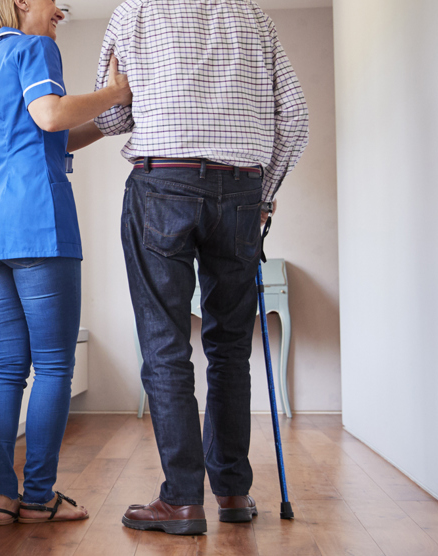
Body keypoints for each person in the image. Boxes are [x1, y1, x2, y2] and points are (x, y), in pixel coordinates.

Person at [93, 0, 310, 536]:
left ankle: (182, 501)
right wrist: (263, 191)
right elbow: (297, 115)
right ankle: (233, 491)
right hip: (239, 188)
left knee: (166, 345)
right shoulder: (254, 16)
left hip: (160, 181)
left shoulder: (133, 13)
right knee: (231, 348)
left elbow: (113, 114)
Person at [0, 0, 132, 527]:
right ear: (22, 2)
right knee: (53, 364)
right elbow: (51, 114)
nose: (61, 9)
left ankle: (0, 496)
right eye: (53, 0)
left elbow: (46, 134)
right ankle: (38, 497)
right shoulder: (38, 49)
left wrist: (107, 122)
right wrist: (115, 94)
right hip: (36, 223)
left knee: (8, 368)